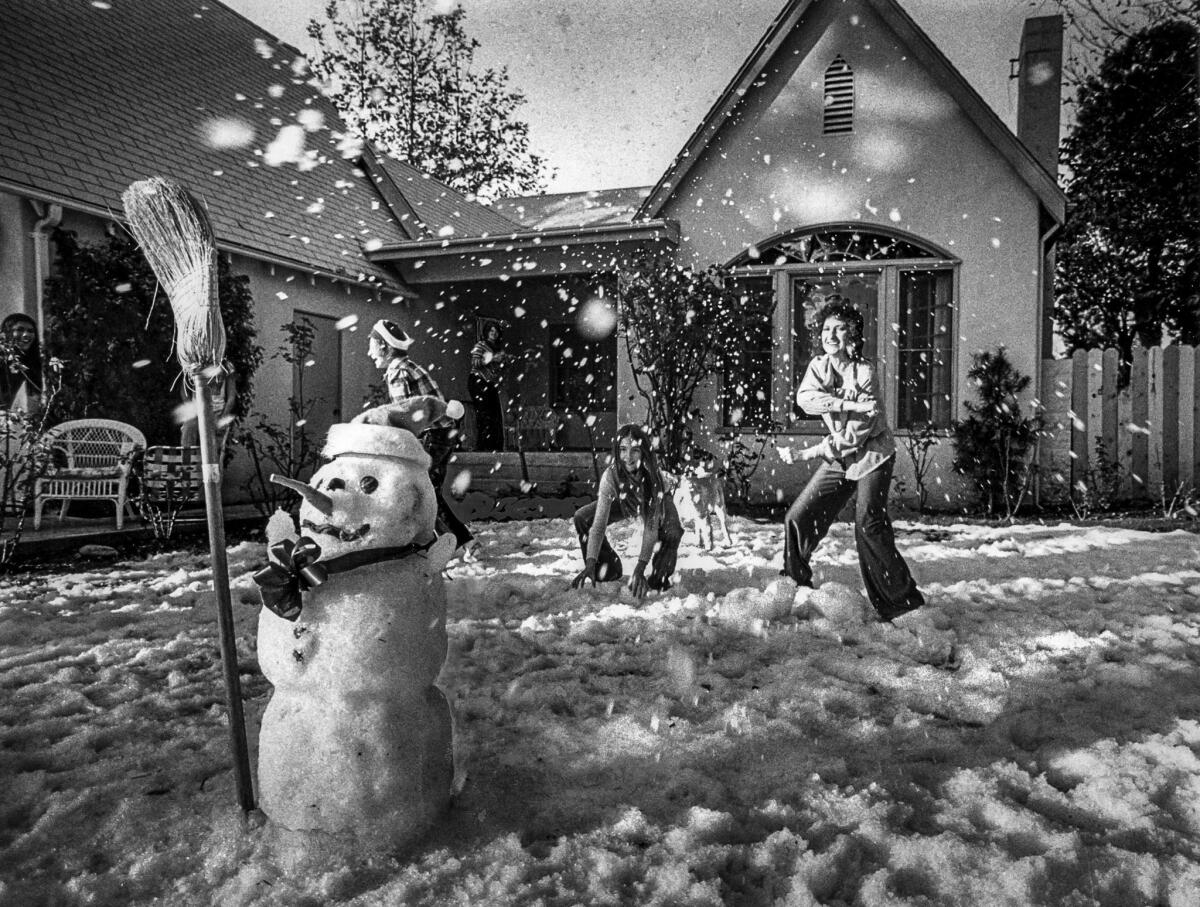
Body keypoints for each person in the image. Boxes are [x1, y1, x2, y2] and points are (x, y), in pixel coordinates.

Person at [781, 301, 924, 622]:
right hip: (842, 455)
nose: (830, 334)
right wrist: (845, 403)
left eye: (839, 328)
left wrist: (809, 452)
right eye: (825, 329)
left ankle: (903, 605)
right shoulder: (818, 366)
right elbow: (806, 400)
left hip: (872, 453)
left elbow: (856, 435)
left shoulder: (865, 372)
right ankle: (794, 583)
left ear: (854, 334)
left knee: (869, 526)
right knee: (798, 516)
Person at [368, 319, 474, 551]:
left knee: (425, 493)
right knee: (425, 492)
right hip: (444, 434)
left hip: (432, 436)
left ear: (384, 346)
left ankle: (460, 543)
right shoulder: (410, 367)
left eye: (372, 345)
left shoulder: (397, 373)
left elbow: (405, 416)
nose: (369, 352)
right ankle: (443, 542)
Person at [571, 423, 684, 599]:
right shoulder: (610, 476)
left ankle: (659, 578)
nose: (628, 457)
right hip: (625, 500)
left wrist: (640, 568)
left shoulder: (654, 479)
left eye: (635, 450)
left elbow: (651, 528)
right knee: (583, 517)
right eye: (623, 449)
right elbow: (599, 524)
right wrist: (590, 562)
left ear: (644, 452)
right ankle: (608, 567)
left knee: (672, 530)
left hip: (657, 498)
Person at [180, 360, 238, 456]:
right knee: (188, 429)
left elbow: (231, 398)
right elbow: (184, 391)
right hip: (197, 412)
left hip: (218, 412)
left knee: (214, 449)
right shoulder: (194, 365)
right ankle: (187, 464)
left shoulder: (227, 367)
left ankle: (213, 467)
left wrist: (222, 417)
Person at [469, 321, 507, 451]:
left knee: (495, 415)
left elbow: (497, 369)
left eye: (496, 331)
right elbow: (475, 362)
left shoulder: (498, 348)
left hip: (490, 383)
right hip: (478, 381)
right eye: (491, 331)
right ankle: (482, 446)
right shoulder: (481, 345)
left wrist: (505, 361)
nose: (494, 334)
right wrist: (492, 359)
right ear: (486, 332)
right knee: (484, 414)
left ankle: (494, 446)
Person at [0, 313, 43, 412]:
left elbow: (35, 395)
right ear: (7, 332)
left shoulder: (28, 361)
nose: (26, 335)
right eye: (20, 329)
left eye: (31, 331)